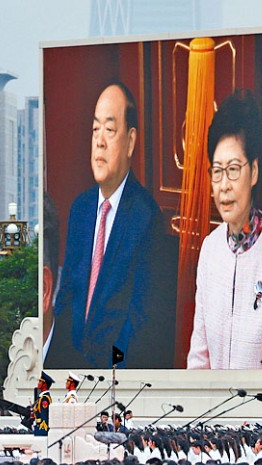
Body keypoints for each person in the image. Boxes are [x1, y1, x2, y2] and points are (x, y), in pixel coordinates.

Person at [47, 81, 175, 369]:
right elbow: (67, 296)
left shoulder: (146, 217)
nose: (99, 141)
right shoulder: (80, 208)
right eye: (95, 130)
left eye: (109, 129)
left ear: (130, 141)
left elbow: (140, 319)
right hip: (71, 371)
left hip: (116, 375)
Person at [187, 89, 262, 369]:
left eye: (234, 169)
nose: (224, 185)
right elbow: (199, 358)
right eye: (217, 171)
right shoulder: (209, 251)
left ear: (255, 172)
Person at [31, 372, 53, 437]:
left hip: (41, 428)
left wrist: (42, 430)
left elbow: (44, 415)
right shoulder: (41, 397)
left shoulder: (44, 399)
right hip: (38, 426)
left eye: (40, 382)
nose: (38, 383)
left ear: (44, 384)